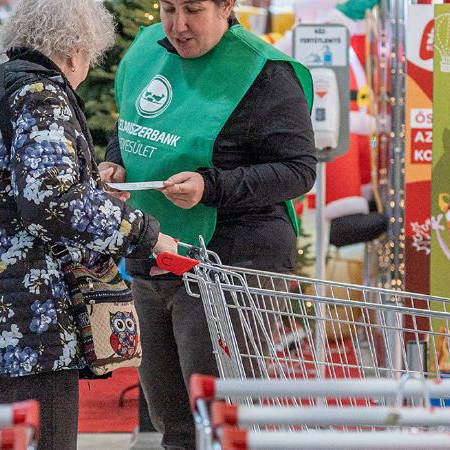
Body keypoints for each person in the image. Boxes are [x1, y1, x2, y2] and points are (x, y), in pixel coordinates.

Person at [0, 1, 175, 449]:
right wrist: (145, 234)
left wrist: (80, 183)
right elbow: (52, 201)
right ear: (76, 51)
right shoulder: (41, 94)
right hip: (28, 327)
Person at [99, 0, 316, 448]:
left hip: (230, 265)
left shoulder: (267, 74)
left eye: (193, 10)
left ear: (226, 6)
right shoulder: (145, 51)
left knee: (215, 423)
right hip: (153, 256)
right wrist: (115, 164)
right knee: (171, 420)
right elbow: (129, 129)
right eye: (168, 9)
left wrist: (210, 186)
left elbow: (298, 170)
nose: (178, 26)